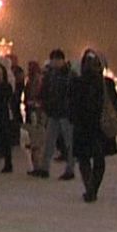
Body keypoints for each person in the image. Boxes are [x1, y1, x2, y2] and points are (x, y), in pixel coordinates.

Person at [70, 49, 117, 203]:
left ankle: (89, 188)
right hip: (100, 128)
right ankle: (93, 188)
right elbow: (116, 104)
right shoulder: (107, 83)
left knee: (84, 159)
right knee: (99, 159)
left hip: (82, 127)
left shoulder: (77, 82)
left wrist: (75, 118)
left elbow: (71, 104)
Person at [33, 49, 75, 180]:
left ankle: (70, 169)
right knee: (48, 142)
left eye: (57, 60)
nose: (55, 63)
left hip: (65, 113)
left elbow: (72, 94)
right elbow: (45, 91)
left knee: (69, 143)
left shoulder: (69, 75)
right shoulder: (51, 75)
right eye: (53, 60)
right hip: (54, 112)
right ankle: (45, 168)